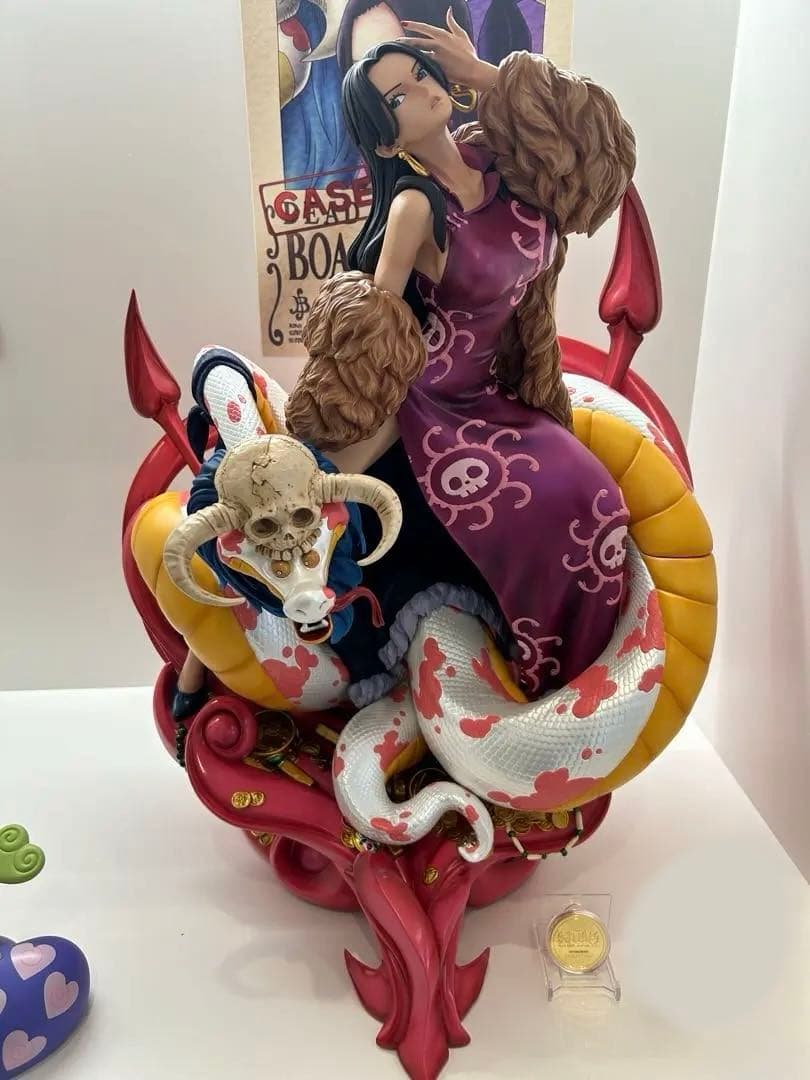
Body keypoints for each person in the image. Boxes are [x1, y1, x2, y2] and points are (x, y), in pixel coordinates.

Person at [283, 15, 637, 703]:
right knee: (561, 503)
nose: (422, 89)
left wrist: (487, 75)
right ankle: (542, 677)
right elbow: (375, 318)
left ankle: (582, 674)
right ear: (386, 139)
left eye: (420, 73)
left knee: (596, 498)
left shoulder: (503, 159)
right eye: (397, 96)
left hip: (502, 391)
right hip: (436, 403)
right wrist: (336, 425)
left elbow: (597, 150)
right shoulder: (416, 206)